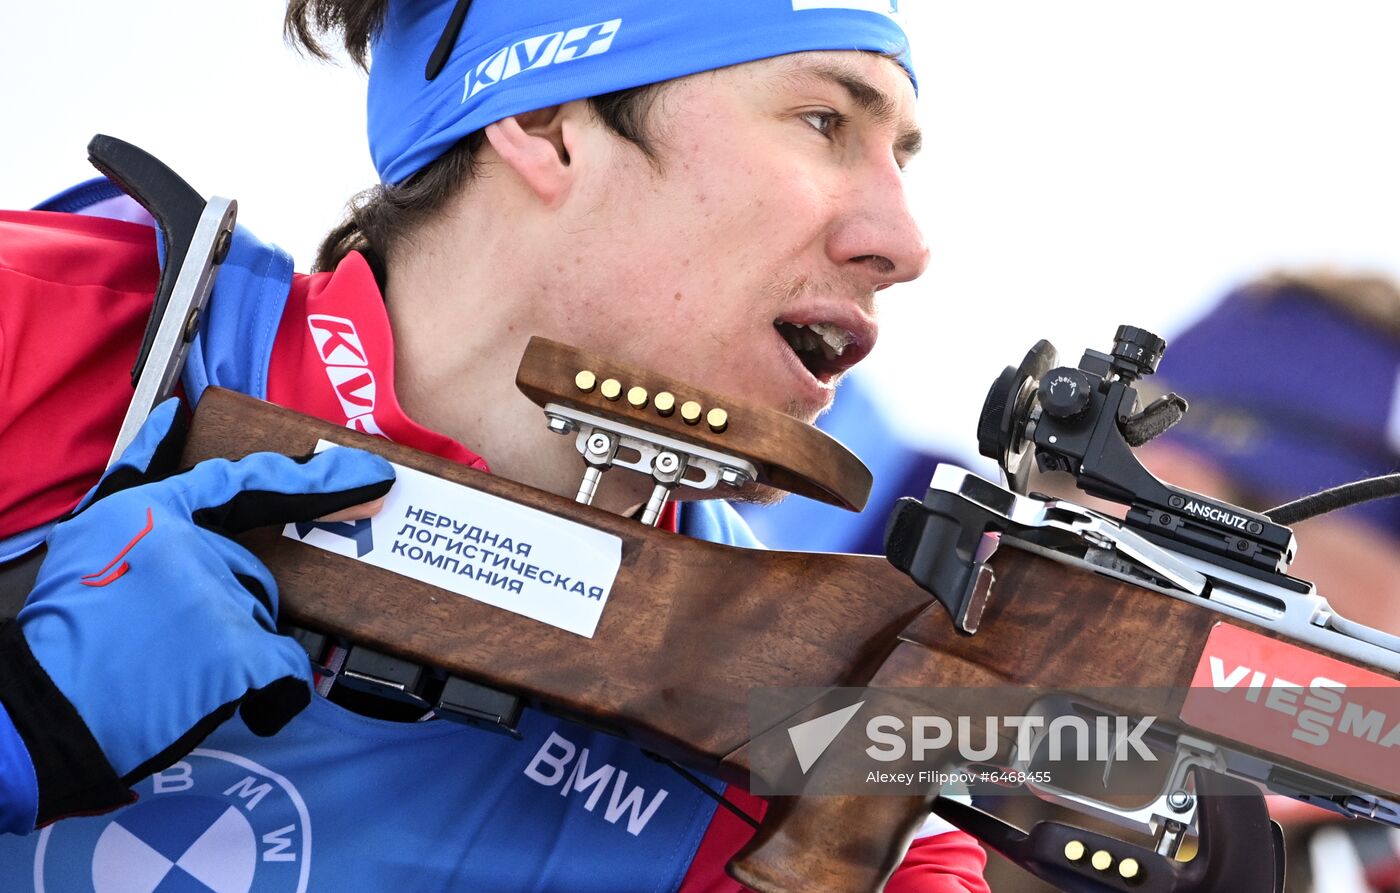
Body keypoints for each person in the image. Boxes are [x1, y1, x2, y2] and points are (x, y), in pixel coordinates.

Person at [0, 1, 990, 890]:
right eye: (823, 123)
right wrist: (24, 722)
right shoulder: (50, 332)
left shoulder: (826, 751)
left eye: (899, 156)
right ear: (544, 121)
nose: (902, 243)